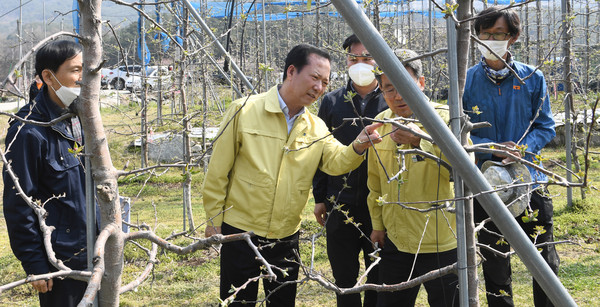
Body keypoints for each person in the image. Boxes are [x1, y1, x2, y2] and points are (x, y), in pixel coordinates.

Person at [202, 43, 383, 307]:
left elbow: (335, 162)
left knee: (283, 301)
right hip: (240, 231)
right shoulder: (244, 111)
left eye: (324, 82)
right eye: (314, 78)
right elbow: (218, 170)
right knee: (237, 302)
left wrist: (357, 145)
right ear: (291, 71)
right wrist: (213, 218)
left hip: (286, 235)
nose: (319, 88)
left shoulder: (316, 127)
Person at [462, 6, 558, 307]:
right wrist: (490, 147)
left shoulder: (532, 78)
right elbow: (460, 130)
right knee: (495, 267)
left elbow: (545, 126)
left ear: (513, 37)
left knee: (546, 263)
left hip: (531, 181)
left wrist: (522, 149)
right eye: (485, 34)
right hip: (487, 185)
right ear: (477, 36)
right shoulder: (467, 81)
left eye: (498, 34)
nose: (491, 39)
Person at [367, 49, 459, 307]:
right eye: (388, 88)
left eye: (404, 85)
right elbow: (375, 180)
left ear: (421, 82)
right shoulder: (380, 123)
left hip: (441, 240)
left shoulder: (445, 119)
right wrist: (377, 224)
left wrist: (423, 141)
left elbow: (466, 168)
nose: (397, 96)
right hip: (396, 240)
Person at [3, 40, 89, 307]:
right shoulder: (28, 131)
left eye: (85, 68)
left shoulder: (82, 116)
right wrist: (35, 262)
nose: (83, 77)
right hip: (60, 260)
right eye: (75, 70)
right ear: (49, 76)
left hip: (96, 249)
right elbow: (19, 203)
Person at [311, 34, 387, 307]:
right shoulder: (332, 101)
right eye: (354, 58)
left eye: (367, 58)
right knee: (344, 278)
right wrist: (320, 197)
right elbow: (319, 152)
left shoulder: (391, 100)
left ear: (379, 61)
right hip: (339, 201)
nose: (360, 64)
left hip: (379, 204)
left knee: (378, 276)